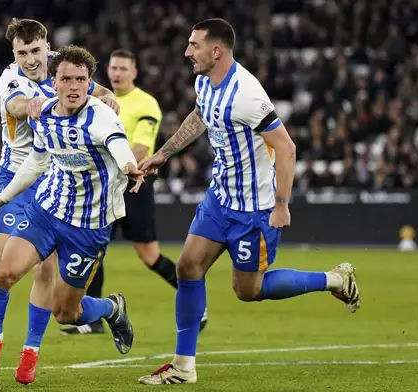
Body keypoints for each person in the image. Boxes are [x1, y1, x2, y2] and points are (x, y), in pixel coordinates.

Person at [136, 18, 361, 385]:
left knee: (248, 291)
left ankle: (334, 279)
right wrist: (165, 152)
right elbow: (200, 116)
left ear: (217, 50)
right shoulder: (204, 81)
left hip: (253, 211)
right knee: (187, 267)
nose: (186, 51)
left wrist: (282, 204)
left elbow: (286, 147)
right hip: (219, 198)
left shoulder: (247, 95)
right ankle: (183, 366)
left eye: (194, 45)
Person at [0, 44, 141, 387]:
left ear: (90, 84)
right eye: (66, 79)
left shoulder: (102, 117)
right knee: (3, 272)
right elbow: (36, 162)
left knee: (66, 313)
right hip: (47, 211)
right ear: (54, 81)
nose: (74, 86)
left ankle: (110, 309)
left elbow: (118, 144)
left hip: (88, 228)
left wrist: (130, 166)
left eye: (81, 79)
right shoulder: (44, 112)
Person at [61, 49, 208, 335]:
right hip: (101, 187)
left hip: (133, 185)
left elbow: (140, 149)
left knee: (149, 255)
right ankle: (91, 320)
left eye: (123, 69)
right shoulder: (96, 101)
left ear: (134, 72)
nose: (117, 73)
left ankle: (196, 300)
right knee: (93, 251)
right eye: (113, 68)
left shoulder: (146, 104)